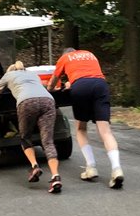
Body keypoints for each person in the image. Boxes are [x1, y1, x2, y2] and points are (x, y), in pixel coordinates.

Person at [48, 47, 123, 188]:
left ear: (65, 54)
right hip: (100, 85)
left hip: (81, 87)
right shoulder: (90, 53)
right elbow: (88, 73)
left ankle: (91, 167)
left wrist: (50, 90)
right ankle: (116, 168)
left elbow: (53, 80)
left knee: (81, 128)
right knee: (105, 131)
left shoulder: (65, 58)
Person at [0, 62, 62, 193]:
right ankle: (55, 176)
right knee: (48, 141)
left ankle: (34, 166)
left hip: (27, 102)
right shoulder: (33, 74)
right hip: (48, 101)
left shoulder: (8, 75)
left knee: (25, 137)